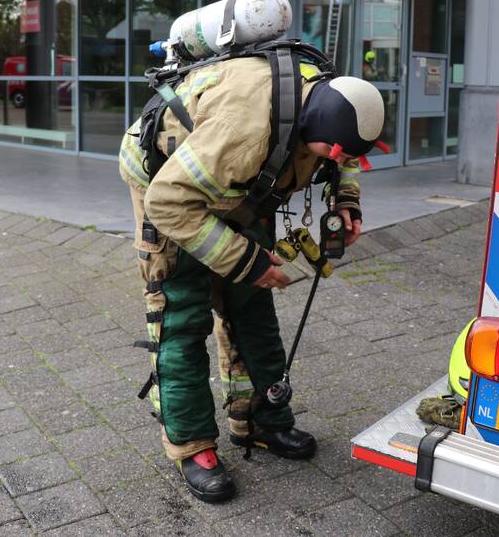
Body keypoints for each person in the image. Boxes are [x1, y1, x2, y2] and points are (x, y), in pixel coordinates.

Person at [119, 53, 385, 503]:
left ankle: (261, 420)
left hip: (238, 187)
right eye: (336, 154)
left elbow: (344, 154)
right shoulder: (246, 130)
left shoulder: (328, 104)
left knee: (253, 311)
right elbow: (169, 201)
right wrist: (249, 261)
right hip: (168, 187)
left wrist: (346, 201)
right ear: (323, 135)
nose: (340, 158)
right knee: (182, 319)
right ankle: (192, 447)